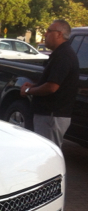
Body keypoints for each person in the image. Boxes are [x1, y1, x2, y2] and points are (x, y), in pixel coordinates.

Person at [20, 19, 79, 147]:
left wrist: (28, 91)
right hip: (48, 116)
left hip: (52, 116)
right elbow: (53, 81)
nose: (45, 34)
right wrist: (34, 86)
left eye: (49, 31)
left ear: (59, 34)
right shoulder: (59, 54)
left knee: (47, 154)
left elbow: (52, 87)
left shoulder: (64, 56)